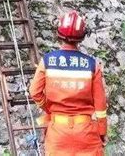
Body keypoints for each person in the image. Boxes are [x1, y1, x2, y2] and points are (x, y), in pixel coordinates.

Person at [29, 10, 108, 156]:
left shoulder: (47, 61)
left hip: (58, 133)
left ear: (58, 33)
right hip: (86, 133)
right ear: (82, 37)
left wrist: (49, 108)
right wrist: (102, 131)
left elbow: (34, 92)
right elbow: (100, 106)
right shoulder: (92, 65)